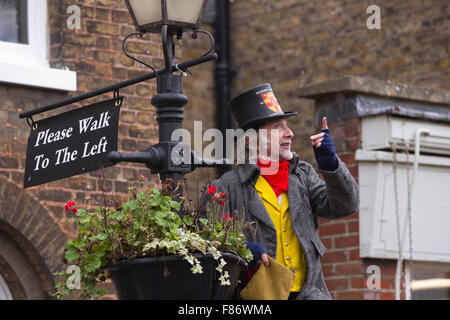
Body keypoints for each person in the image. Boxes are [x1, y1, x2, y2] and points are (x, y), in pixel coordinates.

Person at [205, 83, 359, 300]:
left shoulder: (302, 175)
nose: (290, 133)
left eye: (287, 125)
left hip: (309, 295)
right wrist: (242, 250)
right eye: (278, 127)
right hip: (257, 297)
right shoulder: (227, 187)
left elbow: (346, 205)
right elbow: (209, 242)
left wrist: (331, 165)